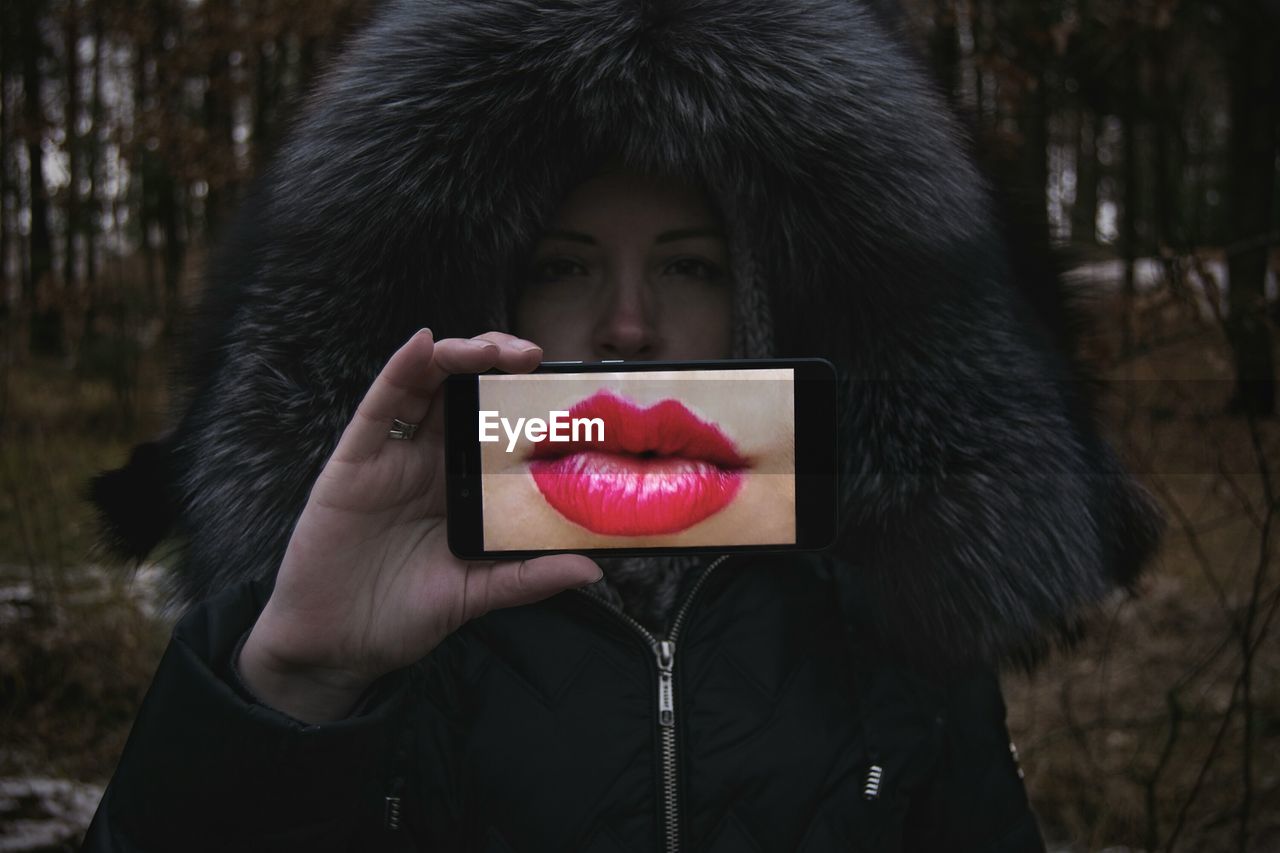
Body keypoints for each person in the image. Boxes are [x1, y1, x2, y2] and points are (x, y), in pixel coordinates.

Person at [82, 0, 1163, 850]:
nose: (628, 326)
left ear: (765, 297)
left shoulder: (890, 610)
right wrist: (295, 682)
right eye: (564, 266)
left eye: (688, 265)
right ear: (484, 294)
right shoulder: (366, 617)